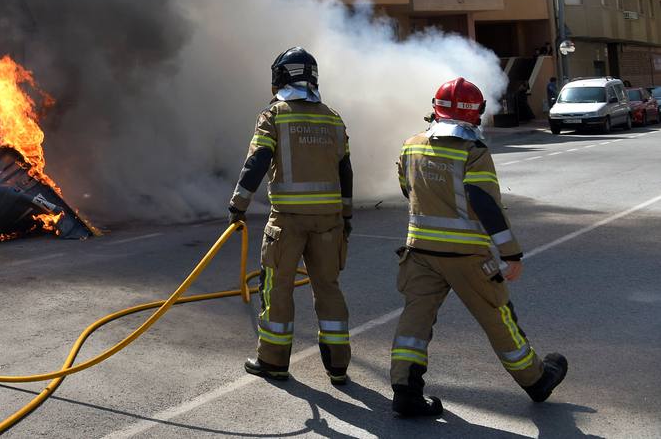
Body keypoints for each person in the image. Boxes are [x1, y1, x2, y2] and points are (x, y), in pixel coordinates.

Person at [390, 77, 568, 417]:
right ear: (476, 113)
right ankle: (536, 380)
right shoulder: (473, 152)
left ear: (435, 108)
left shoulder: (411, 145)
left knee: (415, 320)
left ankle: (405, 391)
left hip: (420, 252)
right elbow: (484, 202)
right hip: (468, 257)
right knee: (498, 317)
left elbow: (405, 189)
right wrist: (511, 252)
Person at [228, 47, 353, 385]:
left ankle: (273, 361)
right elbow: (345, 170)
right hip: (329, 222)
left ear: (281, 77)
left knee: (277, 289)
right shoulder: (333, 118)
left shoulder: (274, 116)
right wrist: (346, 215)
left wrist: (238, 205)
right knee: (328, 288)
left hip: (287, 221)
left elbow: (257, 162)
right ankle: (338, 365)